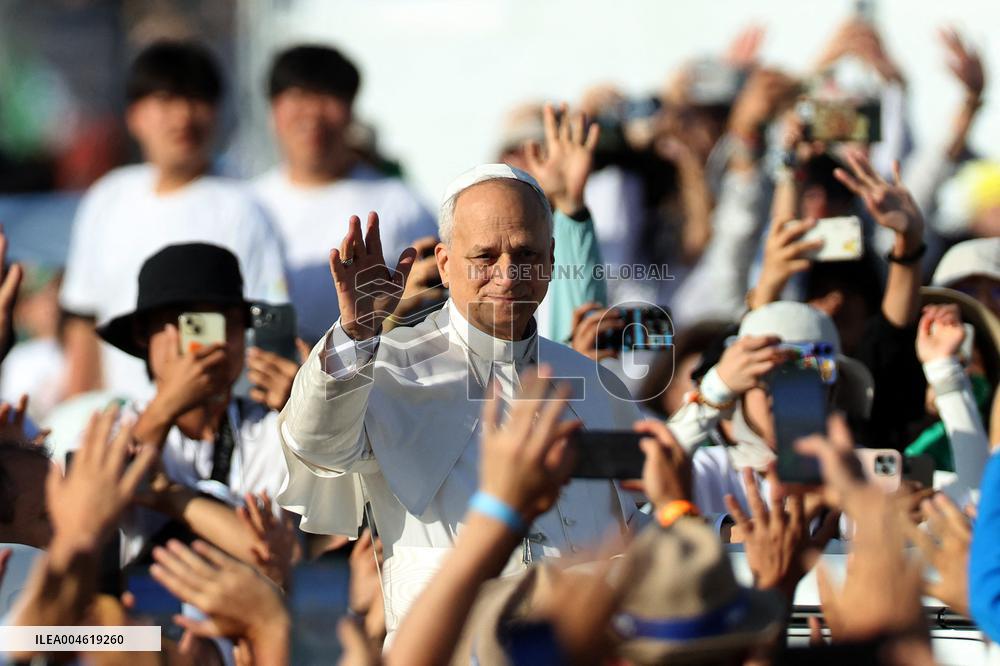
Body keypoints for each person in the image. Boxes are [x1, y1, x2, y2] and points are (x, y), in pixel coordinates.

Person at [277, 164, 642, 641]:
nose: (507, 275)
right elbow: (315, 445)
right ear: (445, 264)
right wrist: (357, 333)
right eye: (485, 256)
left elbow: (634, 519)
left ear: (551, 259)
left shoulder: (592, 381)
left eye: (526, 253)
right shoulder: (387, 368)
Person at [59, 40, 289, 403]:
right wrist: (78, 410)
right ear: (135, 115)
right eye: (166, 99)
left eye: (197, 99)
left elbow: (272, 325)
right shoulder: (108, 197)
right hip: (125, 423)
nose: (183, 116)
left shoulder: (243, 209)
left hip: (217, 424)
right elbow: (83, 320)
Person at [93, 243, 290, 563]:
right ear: (145, 333)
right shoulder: (110, 430)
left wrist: (311, 411)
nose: (213, 342)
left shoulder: (275, 429)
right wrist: (167, 405)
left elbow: (277, 560)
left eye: (228, 321)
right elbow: (87, 518)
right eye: (191, 324)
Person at [253, 44, 436, 344]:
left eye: (327, 96)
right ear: (274, 109)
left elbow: (435, 308)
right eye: (299, 96)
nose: (313, 113)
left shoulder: (402, 205)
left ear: (351, 109)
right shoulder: (250, 204)